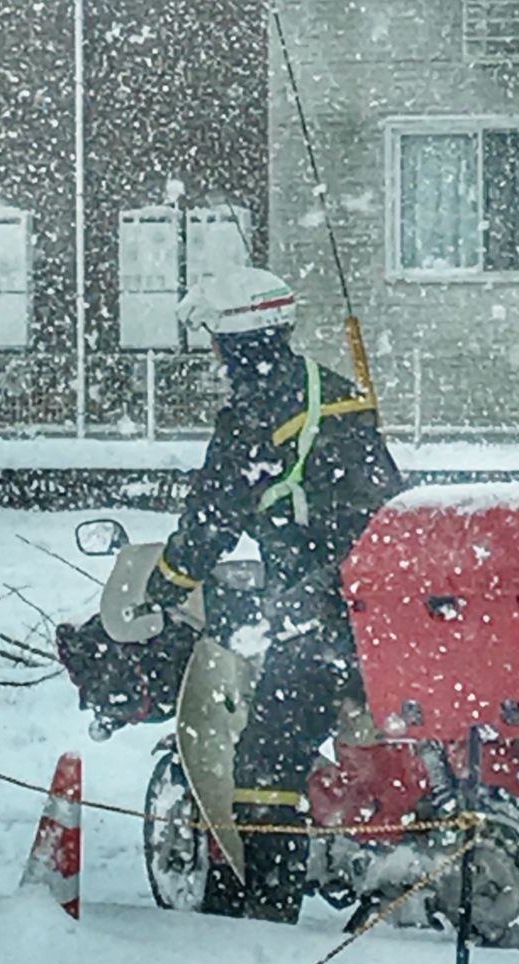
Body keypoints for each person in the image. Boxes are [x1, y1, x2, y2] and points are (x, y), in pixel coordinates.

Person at [143, 266, 402, 924]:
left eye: (215, 345)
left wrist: (167, 581)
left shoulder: (254, 416)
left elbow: (210, 520)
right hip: (387, 593)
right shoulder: (333, 389)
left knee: (264, 758)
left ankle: (267, 915)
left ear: (232, 345)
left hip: (323, 611)